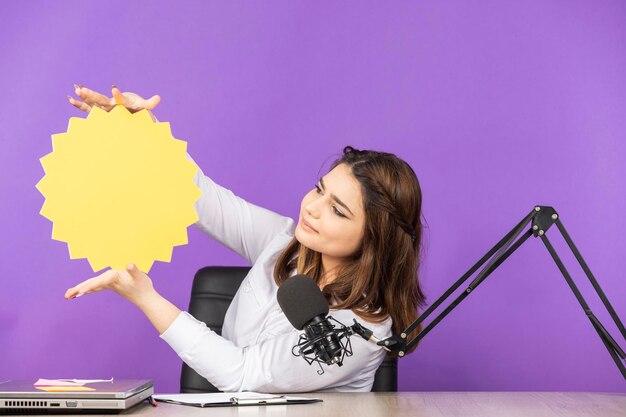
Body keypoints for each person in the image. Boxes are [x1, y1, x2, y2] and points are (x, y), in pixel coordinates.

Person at [64, 86, 426, 392]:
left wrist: (145, 296)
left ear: (376, 238)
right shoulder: (284, 241)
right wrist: (142, 129)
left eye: (338, 210)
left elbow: (243, 374)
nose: (313, 208)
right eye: (319, 190)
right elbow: (200, 197)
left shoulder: (363, 329)